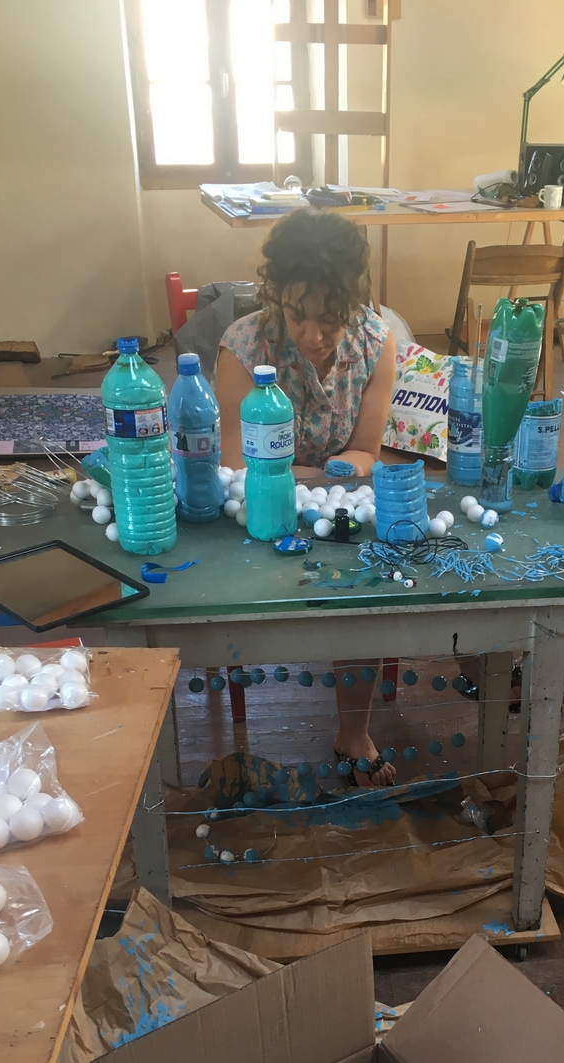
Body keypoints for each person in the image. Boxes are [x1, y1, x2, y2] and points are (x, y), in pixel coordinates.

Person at [216, 208, 398, 786]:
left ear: (352, 307)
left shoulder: (375, 344)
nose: (313, 335)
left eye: (329, 319)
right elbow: (233, 465)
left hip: (332, 503)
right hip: (253, 509)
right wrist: (319, 475)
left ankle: (354, 731)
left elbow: (367, 450)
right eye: (297, 315)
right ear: (277, 298)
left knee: (363, 596)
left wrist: (341, 470)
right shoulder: (243, 347)